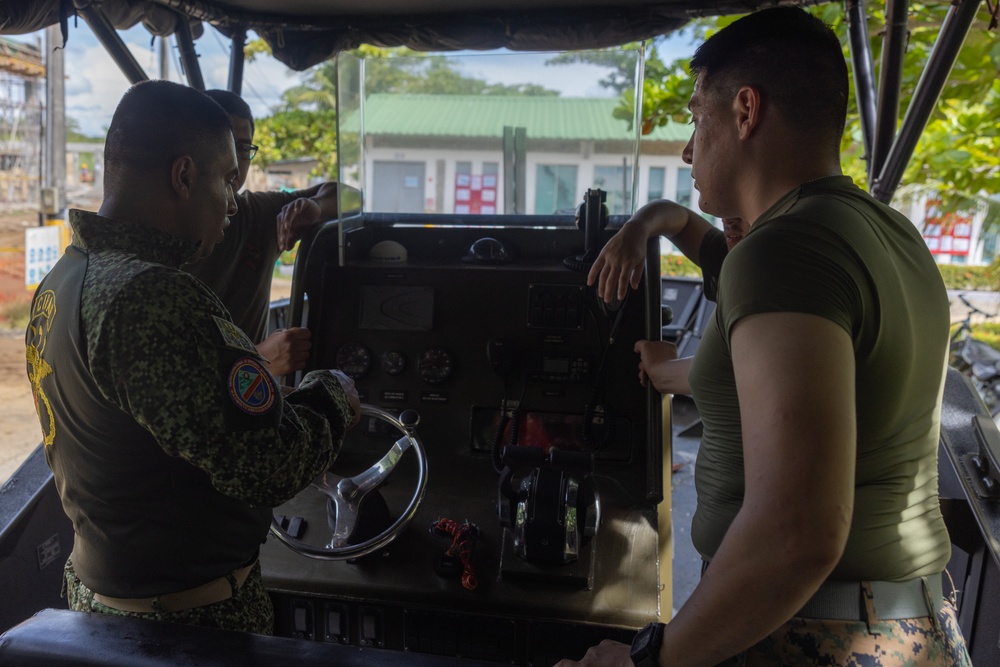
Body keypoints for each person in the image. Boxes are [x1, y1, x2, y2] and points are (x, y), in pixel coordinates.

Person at [559, 7, 970, 666]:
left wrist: (647, 661)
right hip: (904, 622)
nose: (689, 149)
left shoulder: (783, 252)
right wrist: (651, 227)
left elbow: (796, 532)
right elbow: (770, 369)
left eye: (698, 118)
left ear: (746, 111)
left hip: (814, 633)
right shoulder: (883, 235)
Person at [24, 80, 360, 635]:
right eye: (227, 181)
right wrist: (333, 395)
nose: (234, 201)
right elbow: (267, 464)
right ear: (183, 177)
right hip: (190, 623)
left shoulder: (64, 280)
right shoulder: (153, 299)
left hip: (101, 607)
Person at [185, 89, 340, 379]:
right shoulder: (150, 247)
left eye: (243, 148)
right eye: (225, 143)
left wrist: (314, 208)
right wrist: (258, 360)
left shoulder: (259, 214)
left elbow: (349, 197)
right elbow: (167, 383)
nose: (233, 159)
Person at [588, 207, 748, 395]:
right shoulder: (733, 255)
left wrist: (660, 367)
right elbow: (682, 221)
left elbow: (735, 372)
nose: (726, 218)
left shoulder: (767, 269)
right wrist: (636, 228)